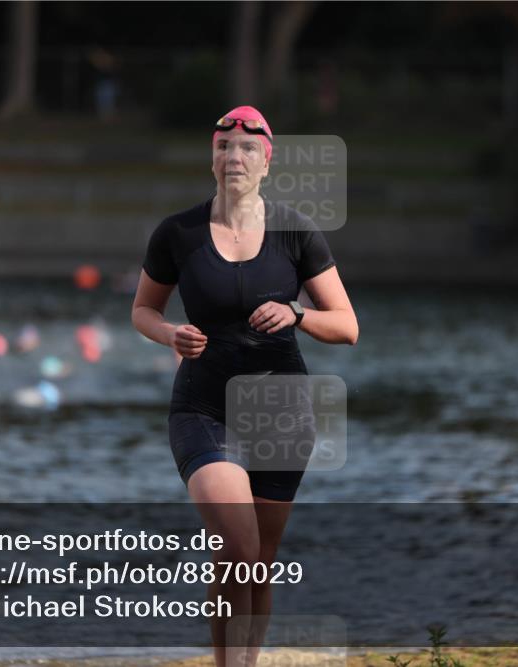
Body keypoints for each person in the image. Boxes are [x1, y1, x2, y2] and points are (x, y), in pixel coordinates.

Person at [131, 105, 358, 666]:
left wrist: (298, 314)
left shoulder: (296, 233)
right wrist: (169, 335)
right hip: (203, 406)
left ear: (266, 161)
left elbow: (347, 327)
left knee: (259, 559)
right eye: (224, 148)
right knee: (238, 545)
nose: (234, 157)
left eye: (247, 149)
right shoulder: (177, 233)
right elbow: (141, 310)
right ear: (212, 158)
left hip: (281, 411)